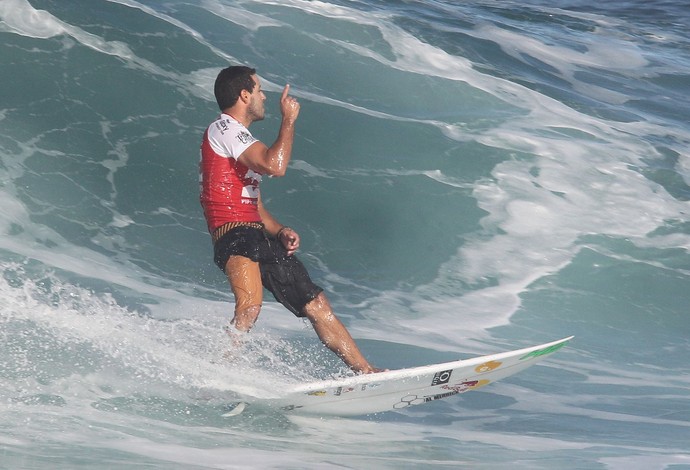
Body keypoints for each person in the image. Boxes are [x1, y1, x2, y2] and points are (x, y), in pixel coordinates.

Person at [199, 65, 380, 374]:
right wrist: (289, 120)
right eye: (258, 90)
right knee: (249, 308)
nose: (263, 97)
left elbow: (252, 204)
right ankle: (213, 374)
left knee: (317, 304)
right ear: (244, 95)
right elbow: (275, 166)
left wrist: (279, 229)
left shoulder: (239, 138)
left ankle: (366, 372)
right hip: (233, 235)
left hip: (255, 232)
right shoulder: (225, 129)